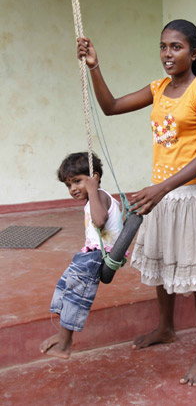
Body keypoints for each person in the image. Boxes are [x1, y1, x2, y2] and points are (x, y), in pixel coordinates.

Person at [77, 19, 196, 386]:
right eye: (162, 46)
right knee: (160, 263)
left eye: (175, 47)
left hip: (193, 197)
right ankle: (166, 328)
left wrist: (159, 190)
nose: (167, 54)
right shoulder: (159, 88)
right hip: (160, 195)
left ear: (193, 53)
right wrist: (94, 66)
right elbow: (110, 106)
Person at [40, 152, 124, 359]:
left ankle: (65, 344)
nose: (73, 189)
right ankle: (62, 334)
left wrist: (93, 190)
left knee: (75, 295)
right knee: (64, 287)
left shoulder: (100, 195)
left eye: (77, 181)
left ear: (94, 177)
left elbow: (100, 220)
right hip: (88, 254)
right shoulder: (94, 198)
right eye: (68, 185)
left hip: (98, 257)